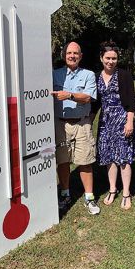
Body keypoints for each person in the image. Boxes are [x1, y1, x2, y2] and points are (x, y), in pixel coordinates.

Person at [51, 41, 100, 215]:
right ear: (64, 55)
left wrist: (70, 95)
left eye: (75, 53)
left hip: (81, 123)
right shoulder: (54, 74)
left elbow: (88, 97)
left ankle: (89, 197)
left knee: (85, 161)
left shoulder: (88, 75)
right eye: (69, 53)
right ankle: (65, 194)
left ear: (81, 56)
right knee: (62, 160)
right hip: (60, 124)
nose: (72, 56)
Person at [91, 41, 135, 210]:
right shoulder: (96, 76)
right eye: (107, 58)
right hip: (105, 123)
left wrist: (129, 121)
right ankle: (112, 189)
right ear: (101, 58)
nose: (110, 61)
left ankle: (126, 193)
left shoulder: (124, 75)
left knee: (124, 157)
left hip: (122, 119)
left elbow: (132, 101)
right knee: (108, 157)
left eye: (114, 58)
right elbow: (95, 102)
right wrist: (89, 122)